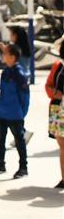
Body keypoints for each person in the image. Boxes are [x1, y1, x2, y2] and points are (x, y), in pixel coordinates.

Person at [0, 43, 30, 178]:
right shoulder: (5, 71)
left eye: (5, 54)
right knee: (0, 140)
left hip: (15, 114)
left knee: (19, 141)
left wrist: (22, 113)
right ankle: (1, 164)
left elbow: (25, 96)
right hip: (1, 112)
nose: (2, 56)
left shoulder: (20, 74)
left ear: (12, 57)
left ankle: (23, 167)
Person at [45, 42, 64, 188]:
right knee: (62, 146)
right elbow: (48, 85)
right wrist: (57, 93)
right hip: (59, 109)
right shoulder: (59, 65)